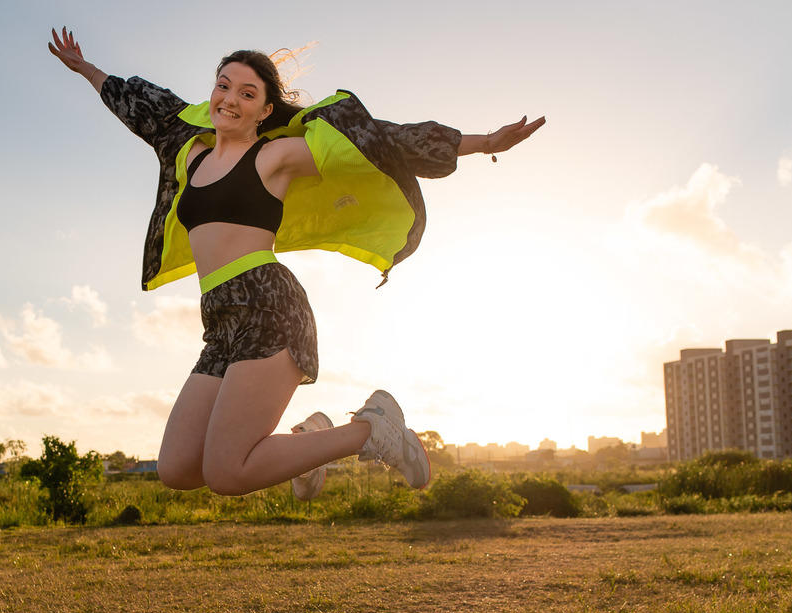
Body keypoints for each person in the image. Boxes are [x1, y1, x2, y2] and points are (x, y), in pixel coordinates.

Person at [48, 27, 544, 499]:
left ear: (265, 109)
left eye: (247, 93)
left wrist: (481, 142)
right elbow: (142, 105)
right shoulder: (186, 150)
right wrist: (85, 68)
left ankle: (370, 431)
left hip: (269, 305)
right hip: (219, 316)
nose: (230, 99)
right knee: (178, 468)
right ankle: (314, 440)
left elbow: (378, 141)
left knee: (226, 472)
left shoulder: (276, 156)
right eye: (224, 86)